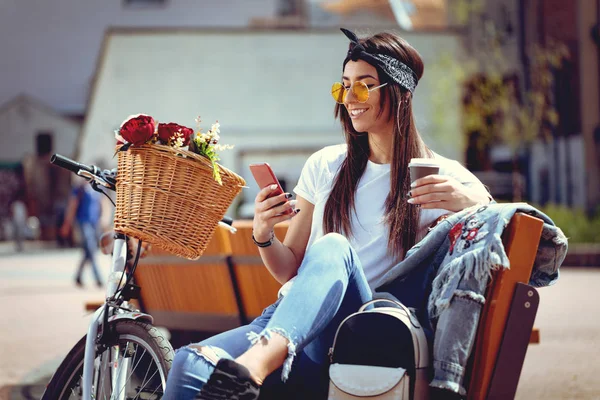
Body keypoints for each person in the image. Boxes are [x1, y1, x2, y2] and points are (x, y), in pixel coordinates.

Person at [164, 28, 492, 400]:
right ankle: (255, 365)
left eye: (364, 86)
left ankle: (255, 366)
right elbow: (290, 268)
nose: (351, 98)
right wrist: (263, 233)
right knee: (188, 364)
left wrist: (467, 200)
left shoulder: (437, 175)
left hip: (360, 331)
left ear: (399, 92)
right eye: (344, 86)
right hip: (289, 323)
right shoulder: (325, 165)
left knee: (334, 247)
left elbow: (500, 222)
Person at [59, 181, 104, 287]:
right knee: (91, 248)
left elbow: (102, 204)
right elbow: (72, 207)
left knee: (87, 251)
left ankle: (78, 276)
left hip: (94, 223)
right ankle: (98, 278)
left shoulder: (97, 188)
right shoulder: (79, 189)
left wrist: (103, 220)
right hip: (83, 223)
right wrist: (67, 224)